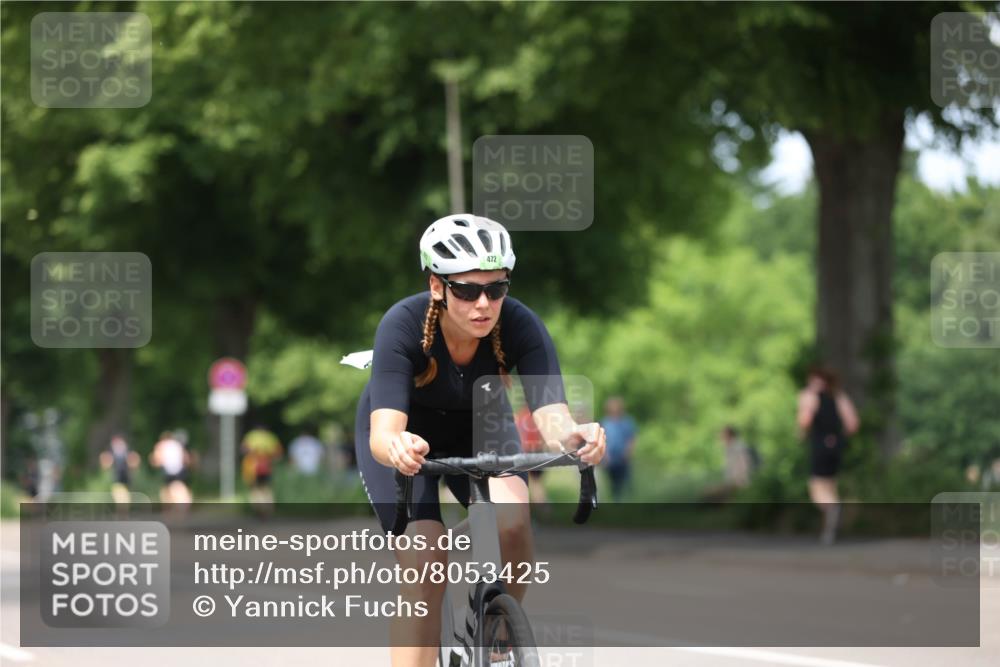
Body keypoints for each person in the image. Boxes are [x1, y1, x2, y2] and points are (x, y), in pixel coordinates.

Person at [354, 214, 606, 667]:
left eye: (497, 288)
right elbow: (384, 434)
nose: (483, 303)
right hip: (410, 435)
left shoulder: (521, 325)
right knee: (426, 564)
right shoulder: (402, 325)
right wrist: (397, 446)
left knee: (513, 521)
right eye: (467, 290)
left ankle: (500, 631)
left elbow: (553, 421)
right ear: (437, 286)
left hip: (481, 421)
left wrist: (579, 436)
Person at [797, 365, 859, 545]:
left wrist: (802, 432)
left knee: (817, 486)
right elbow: (853, 424)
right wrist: (839, 437)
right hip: (836, 445)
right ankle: (828, 528)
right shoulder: (839, 396)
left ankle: (832, 513)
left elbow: (805, 421)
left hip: (819, 445)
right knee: (830, 485)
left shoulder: (810, 396)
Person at [600, 396, 636, 501]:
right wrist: (605, 455)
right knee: (613, 482)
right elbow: (602, 440)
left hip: (623, 456)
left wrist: (628, 452)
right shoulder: (605, 422)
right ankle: (616, 500)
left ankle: (628, 499)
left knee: (625, 480)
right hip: (610, 458)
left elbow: (631, 438)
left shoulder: (627, 422)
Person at [514, 403, 549, 505]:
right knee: (536, 483)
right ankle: (539, 507)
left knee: (530, 482)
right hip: (535, 451)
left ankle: (539, 507)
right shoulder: (537, 415)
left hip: (526, 451)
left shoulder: (522, 415)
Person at [241, 426, 283, 511]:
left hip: (252, 467)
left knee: (254, 489)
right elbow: (278, 454)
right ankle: (268, 507)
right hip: (267, 466)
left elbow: (243, 449)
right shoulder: (271, 437)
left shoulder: (252, 435)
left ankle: (259, 508)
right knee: (266, 488)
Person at [149, 431, 192, 506]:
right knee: (179, 490)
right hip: (181, 471)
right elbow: (186, 458)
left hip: (169, 473)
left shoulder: (161, 445)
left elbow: (156, 460)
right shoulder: (178, 444)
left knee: (169, 493)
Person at [99, 433, 140, 505]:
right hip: (117, 477)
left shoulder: (126, 452)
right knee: (120, 496)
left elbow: (134, 461)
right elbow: (105, 463)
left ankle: (123, 511)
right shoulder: (112, 453)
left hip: (126, 477)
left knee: (124, 497)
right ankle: (122, 511)